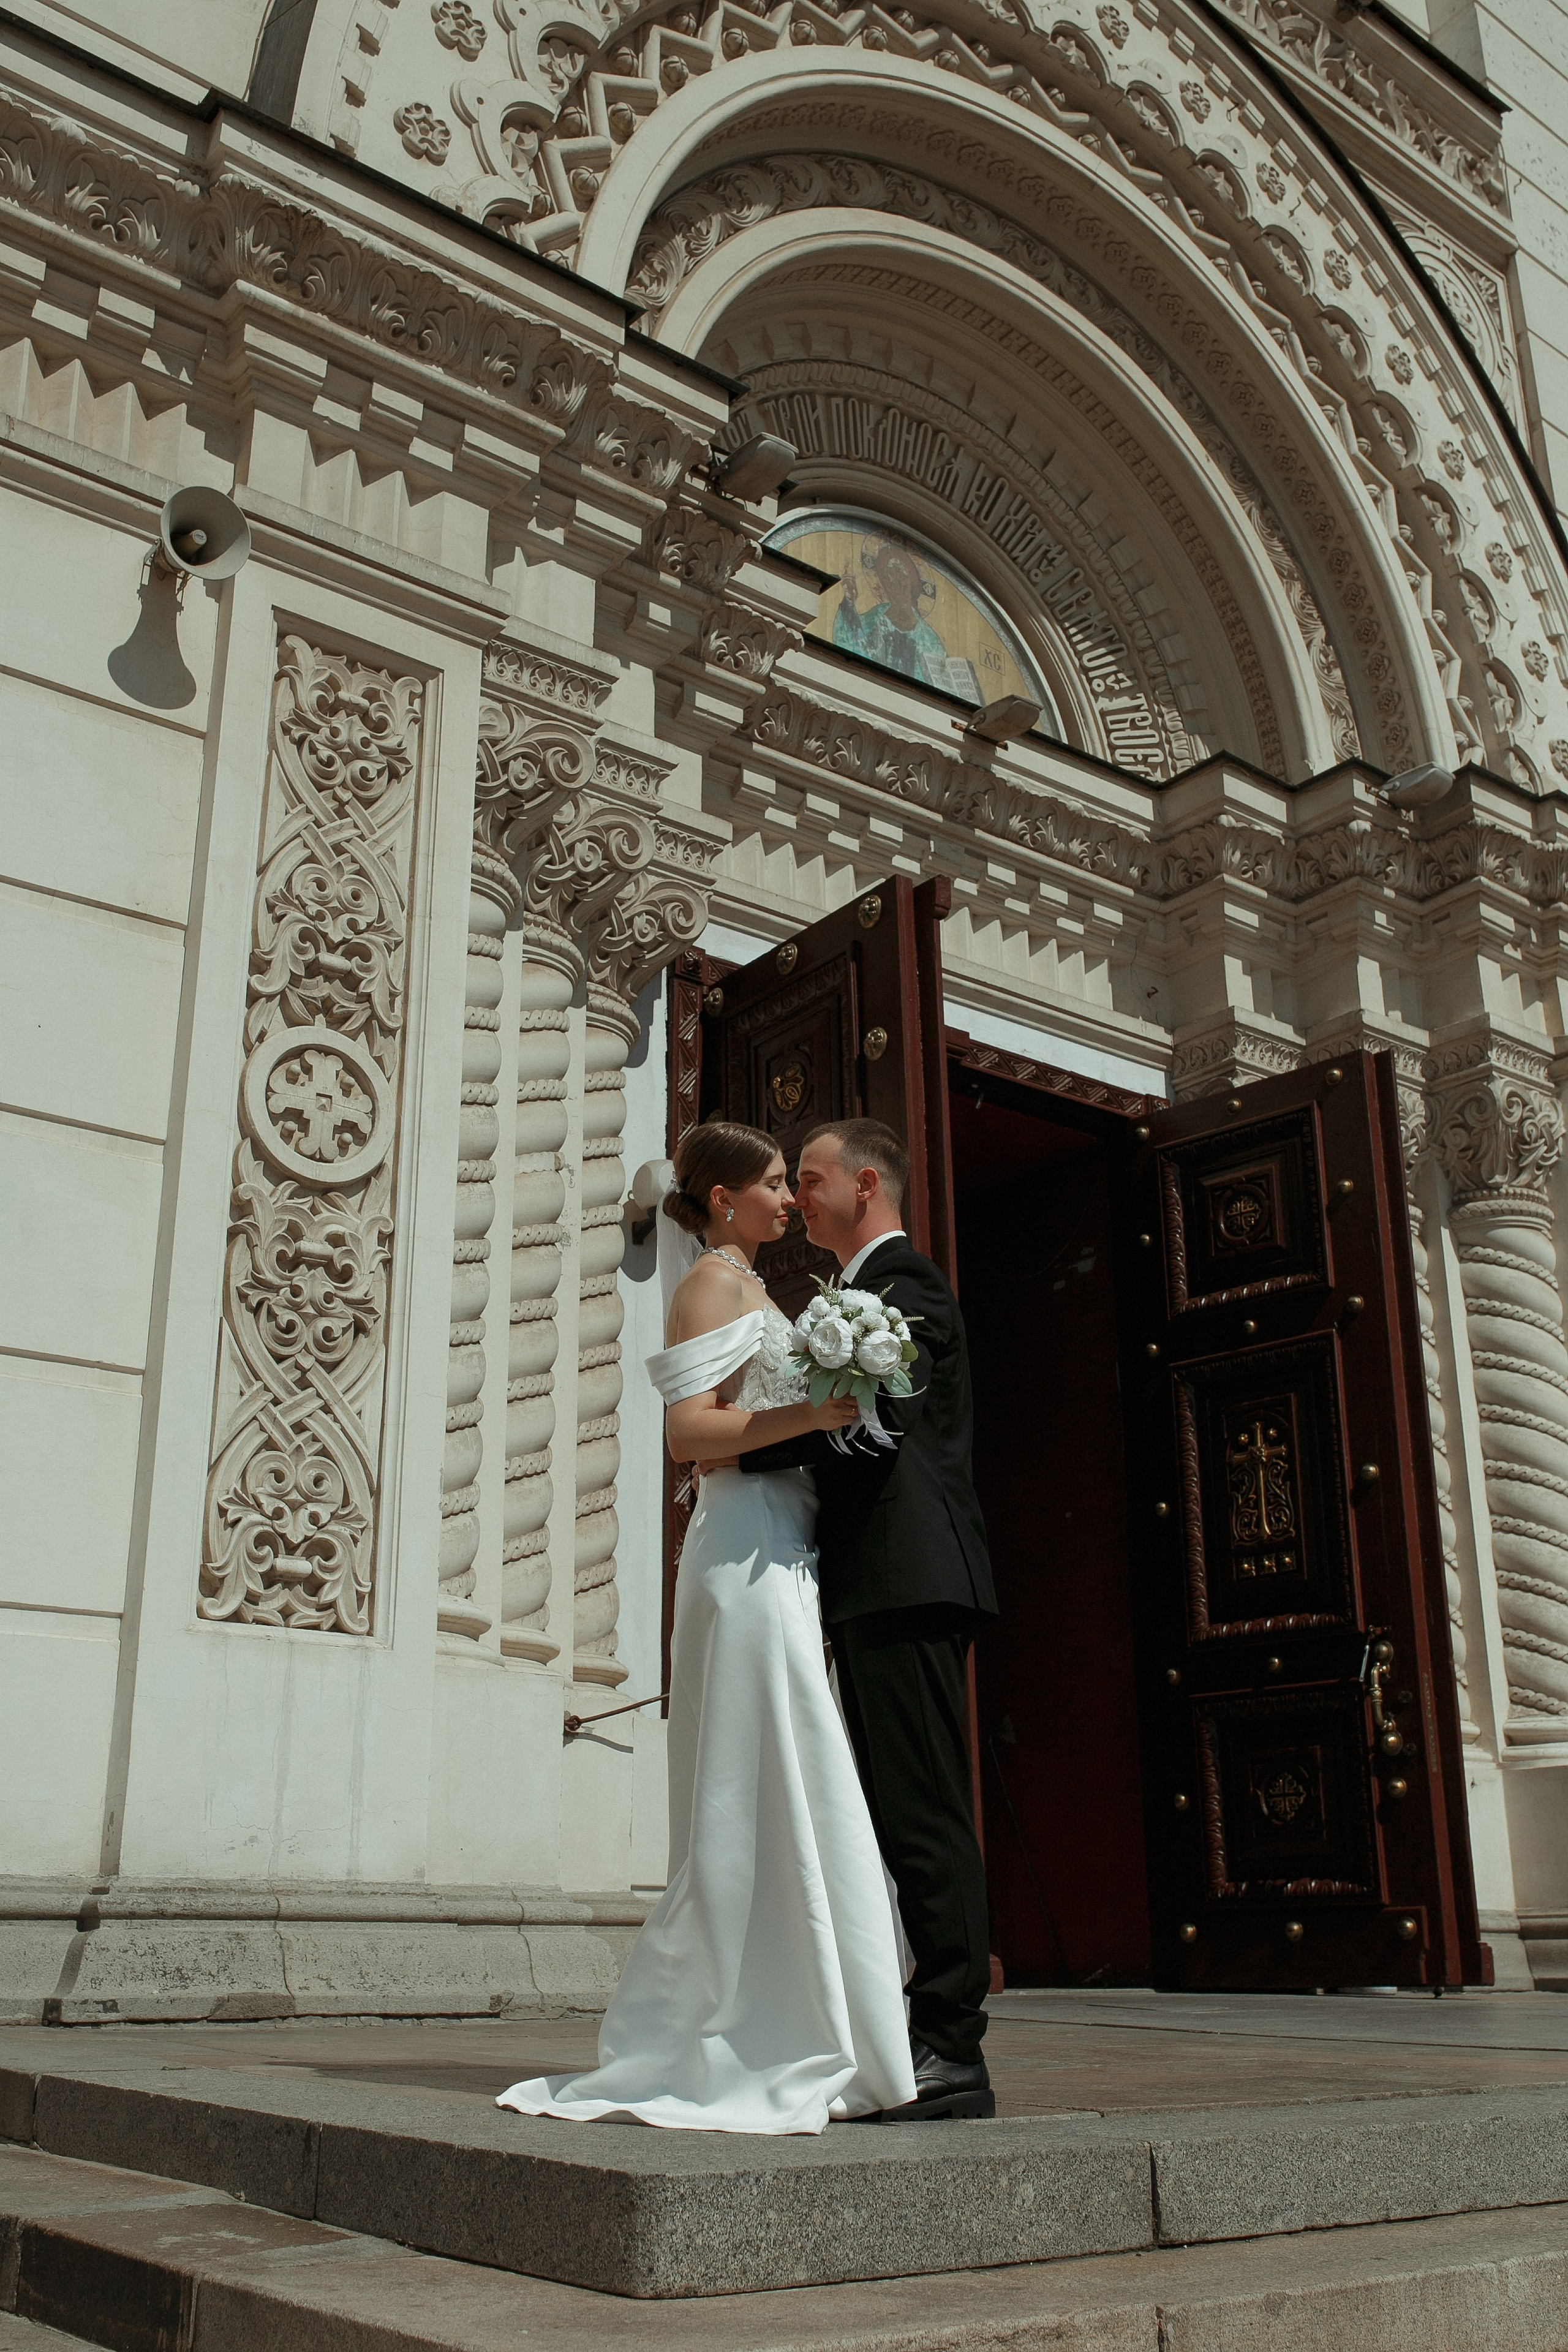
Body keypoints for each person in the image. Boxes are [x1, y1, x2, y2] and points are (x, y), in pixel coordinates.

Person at [496, 1122, 917, 2136]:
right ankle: (728, 2029)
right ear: (722, 1200)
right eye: (774, 1183)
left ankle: (814, 2019)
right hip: (741, 1554)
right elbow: (694, 1437)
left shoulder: (761, 1290)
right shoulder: (711, 1289)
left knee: (796, 1775)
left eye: (790, 1182)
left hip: (788, 1550)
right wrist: (818, 1416)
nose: (788, 1199)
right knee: (754, 1785)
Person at [744, 1118, 998, 2120]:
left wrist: (729, 1451)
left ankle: (953, 2049)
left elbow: (864, 1420)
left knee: (925, 1815)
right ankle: (912, 2031)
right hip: (872, 1582)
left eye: (810, 1180)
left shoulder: (909, 1289)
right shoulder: (859, 1295)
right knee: (893, 1816)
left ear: (866, 1183)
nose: (800, 1197)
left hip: (909, 1577)